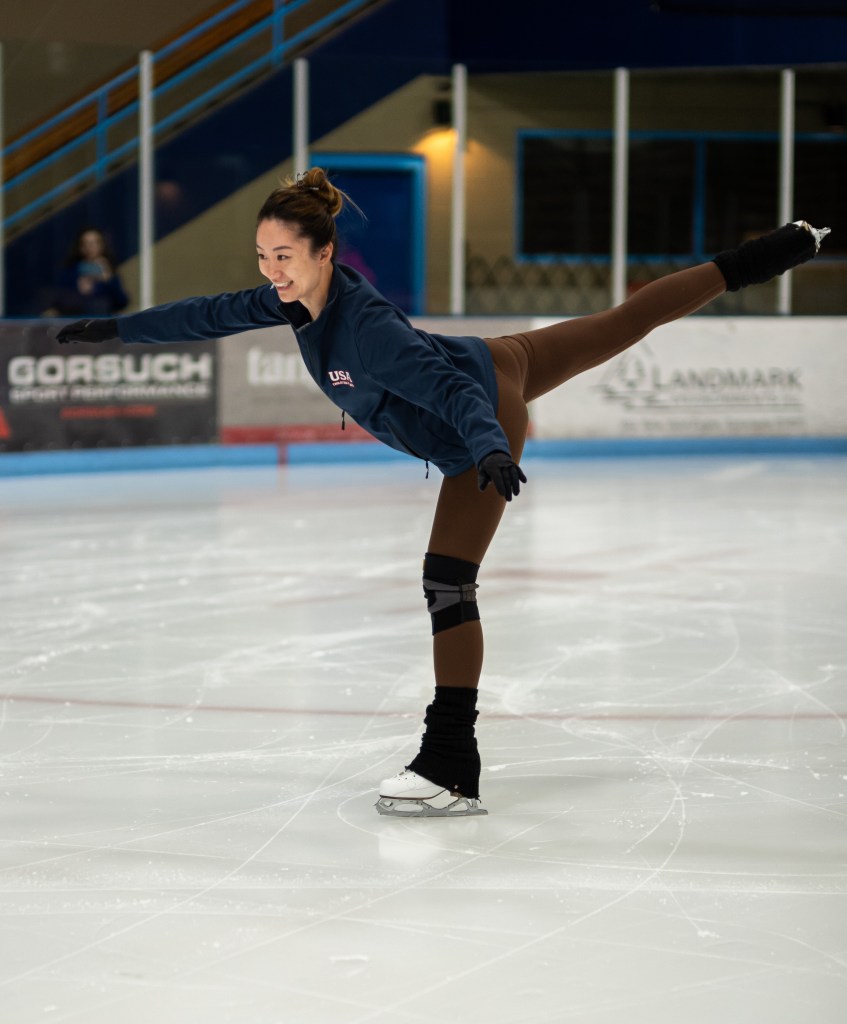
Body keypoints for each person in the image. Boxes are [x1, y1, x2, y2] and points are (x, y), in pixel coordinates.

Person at [56, 168, 829, 818]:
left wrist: (488, 449)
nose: (271, 271)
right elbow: (207, 314)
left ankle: (450, 763)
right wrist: (117, 331)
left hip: (477, 412)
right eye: (263, 256)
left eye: (284, 256)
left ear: (326, 253)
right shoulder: (289, 300)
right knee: (622, 321)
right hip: (496, 356)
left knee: (447, 583)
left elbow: (450, 394)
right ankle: (782, 248)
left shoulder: (367, 330)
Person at [44, 227, 129, 317]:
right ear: (81, 247)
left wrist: (109, 279)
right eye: (86, 243)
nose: (90, 247)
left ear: (102, 246)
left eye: (95, 243)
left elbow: (122, 302)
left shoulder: (108, 271)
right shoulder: (71, 272)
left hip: (103, 321)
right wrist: (79, 291)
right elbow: (58, 300)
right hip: (77, 320)